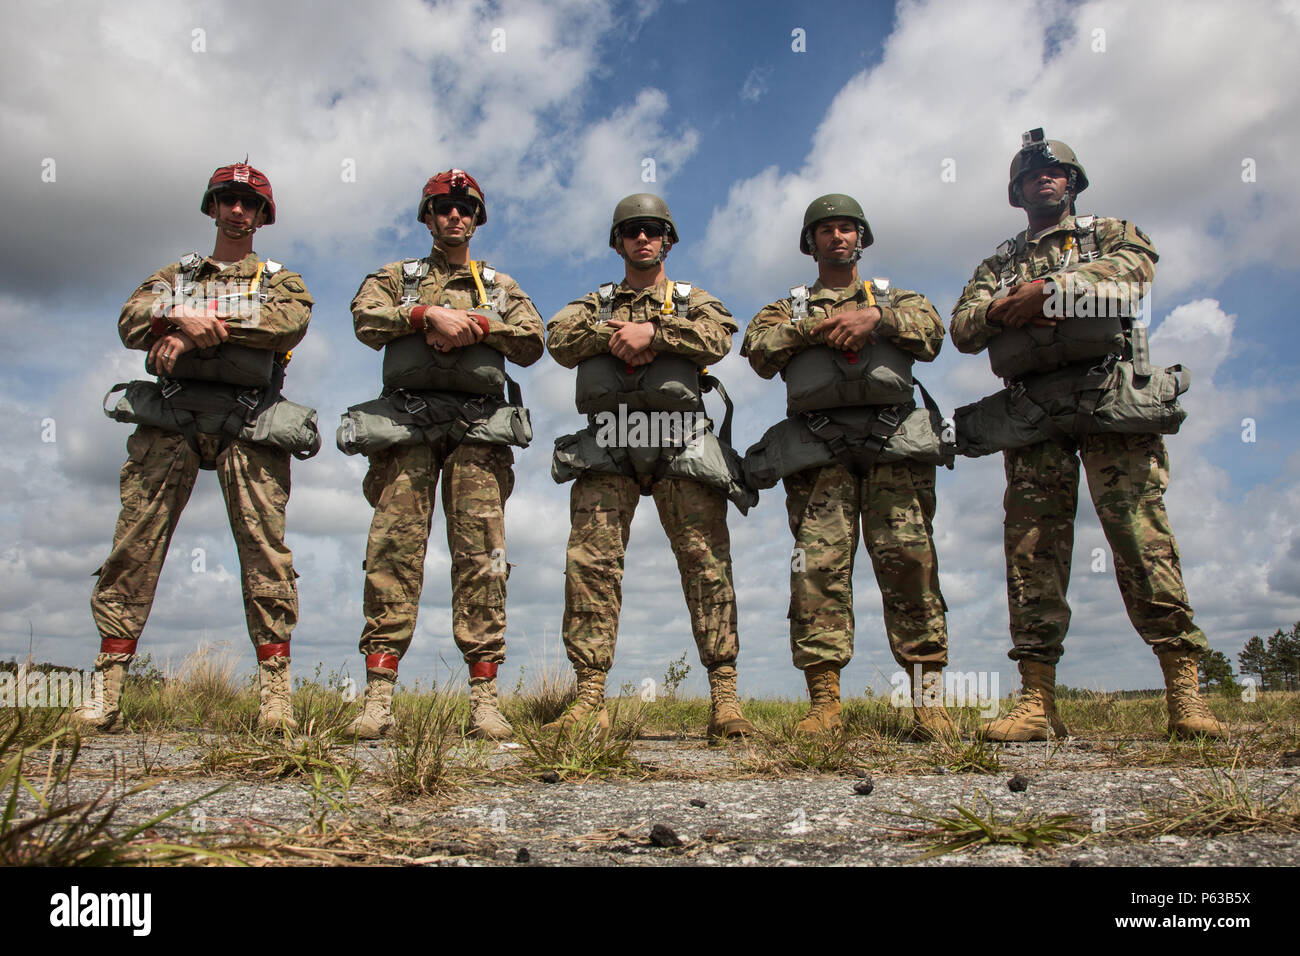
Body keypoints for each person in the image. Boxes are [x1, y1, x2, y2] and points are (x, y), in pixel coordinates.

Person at [950, 129, 1227, 740]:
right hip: (1034, 413)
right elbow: (963, 327)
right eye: (1029, 175)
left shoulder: (1111, 235)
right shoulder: (996, 265)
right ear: (1017, 193)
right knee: (1031, 551)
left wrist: (1050, 292)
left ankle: (1185, 696)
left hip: (1110, 401)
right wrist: (1003, 306)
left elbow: (1134, 274)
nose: (1042, 179)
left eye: (1053, 173)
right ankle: (1037, 703)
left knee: (1140, 538)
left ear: (1072, 183)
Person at [79, 162, 315, 733]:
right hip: (172, 419)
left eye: (249, 203)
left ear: (264, 216)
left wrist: (191, 324)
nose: (238, 210)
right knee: (133, 546)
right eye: (228, 199)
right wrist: (170, 311)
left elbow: (287, 322)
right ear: (213, 207)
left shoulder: (280, 279)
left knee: (266, 553)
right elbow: (131, 319)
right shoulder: (175, 273)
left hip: (249, 420)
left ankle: (274, 696)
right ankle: (106, 684)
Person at [741, 194, 958, 739]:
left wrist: (876, 318)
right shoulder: (787, 308)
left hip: (893, 448)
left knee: (912, 566)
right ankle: (824, 705)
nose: (837, 238)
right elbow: (758, 350)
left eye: (846, 229)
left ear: (860, 238)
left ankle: (927, 702)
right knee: (816, 574)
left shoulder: (897, 297)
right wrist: (817, 326)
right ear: (809, 242)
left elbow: (934, 333)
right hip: (819, 455)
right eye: (825, 230)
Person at [544, 193, 755, 740]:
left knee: (706, 563)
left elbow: (721, 335)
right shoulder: (593, 303)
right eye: (632, 230)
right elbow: (558, 339)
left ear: (667, 240)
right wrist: (618, 334)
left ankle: (725, 701)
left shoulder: (692, 300)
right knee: (591, 564)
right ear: (618, 242)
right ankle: (589, 697)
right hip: (609, 443)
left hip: (678, 440)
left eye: (653, 230)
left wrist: (655, 334)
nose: (643, 238)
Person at [345, 169, 543, 740]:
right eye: (444, 207)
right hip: (406, 427)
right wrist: (423, 315)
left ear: (476, 219)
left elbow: (532, 342)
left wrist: (476, 326)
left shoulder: (498, 285)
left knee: (483, 556)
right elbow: (364, 319)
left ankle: (485, 700)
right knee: (391, 552)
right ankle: (378, 697)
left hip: (478, 431)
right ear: (427, 216)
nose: (455, 216)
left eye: (465, 209)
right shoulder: (396, 278)